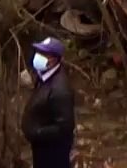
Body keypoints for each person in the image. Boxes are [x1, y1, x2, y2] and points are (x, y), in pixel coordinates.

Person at [21, 37, 76, 168]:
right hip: (42, 146)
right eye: (39, 52)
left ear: (54, 59)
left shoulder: (60, 90)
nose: (38, 56)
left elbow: (65, 127)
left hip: (53, 150)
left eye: (44, 54)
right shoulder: (45, 76)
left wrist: (37, 132)